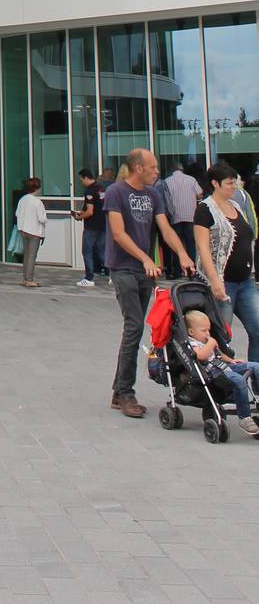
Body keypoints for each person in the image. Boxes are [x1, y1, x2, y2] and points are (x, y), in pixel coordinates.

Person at [104, 147, 195, 418]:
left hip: (146, 272)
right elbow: (118, 234)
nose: (157, 171)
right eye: (153, 167)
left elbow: (165, 229)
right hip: (123, 269)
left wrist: (183, 254)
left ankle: (119, 391)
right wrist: (145, 258)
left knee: (136, 329)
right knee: (133, 326)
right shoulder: (116, 193)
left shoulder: (153, 194)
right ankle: (125, 393)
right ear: (138, 167)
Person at [194, 160, 259, 362]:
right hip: (223, 282)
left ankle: (256, 380)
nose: (235, 187)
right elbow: (203, 248)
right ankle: (225, 384)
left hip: (245, 281)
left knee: (257, 330)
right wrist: (215, 281)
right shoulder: (205, 209)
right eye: (230, 183)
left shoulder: (236, 205)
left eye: (235, 183)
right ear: (215, 183)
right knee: (223, 336)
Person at [184, 308, 259, 438]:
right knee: (239, 380)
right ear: (191, 332)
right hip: (213, 372)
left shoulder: (206, 340)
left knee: (256, 366)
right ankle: (245, 417)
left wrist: (232, 361)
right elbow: (201, 356)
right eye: (203, 331)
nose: (208, 333)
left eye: (208, 329)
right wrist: (211, 344)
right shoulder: (192, 343)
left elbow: (219, 354)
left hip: (224, 365)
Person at [160, 161, 204, 276]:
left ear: (172, 170)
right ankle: (192, 270)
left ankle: (177, 271)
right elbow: (200, 194)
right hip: (190, 216)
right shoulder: (191, 179)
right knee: (191, 244)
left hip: (175, 216)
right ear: (182, 170)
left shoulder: (167, 181)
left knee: (176, 244)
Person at [71, 168, 106, 286]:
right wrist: (82, 212)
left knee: (87, 251)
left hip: (91, 226)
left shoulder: (89, 191)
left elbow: (90, 211)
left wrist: (80, 217)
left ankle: (89, 278)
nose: (82, 183)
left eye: (81, 180)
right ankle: (113, 275)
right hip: (103, 224)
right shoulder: (101, 189)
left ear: (86, 178)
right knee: (102, 251)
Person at [15, 178, 47, 288]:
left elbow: (17, 214)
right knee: (32, 256)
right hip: (34, 231)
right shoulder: (37, 202)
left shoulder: (22, 199)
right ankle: (29, 279)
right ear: (37, 188)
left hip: (23, 230)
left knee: (27, 255)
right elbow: (42, 219)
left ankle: (25, 278)